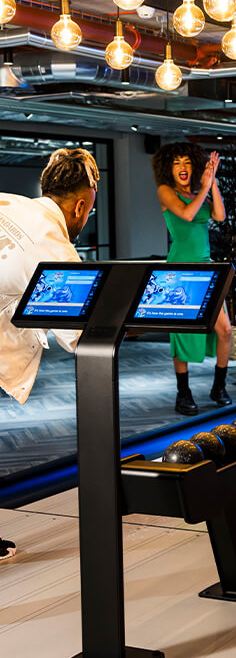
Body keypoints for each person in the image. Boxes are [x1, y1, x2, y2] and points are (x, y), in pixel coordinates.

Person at [0, 147, 100, 563]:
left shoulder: (7, 201)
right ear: (80, 205)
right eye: (89, 212)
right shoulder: (56, 247)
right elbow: (77, 335)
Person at [151, 142, 232, 415]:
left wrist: (213, 184)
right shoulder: (166, 192)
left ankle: (218, 387)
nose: (183, 167)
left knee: (225, 330)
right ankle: (183, 393)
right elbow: (187, 214)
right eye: (176, 163)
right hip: (179, 271)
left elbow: (219, 216)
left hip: (208, 270)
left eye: (187, 162)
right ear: (168, 169)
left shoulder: (200, 193)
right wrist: (206, 189)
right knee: (182, 334)